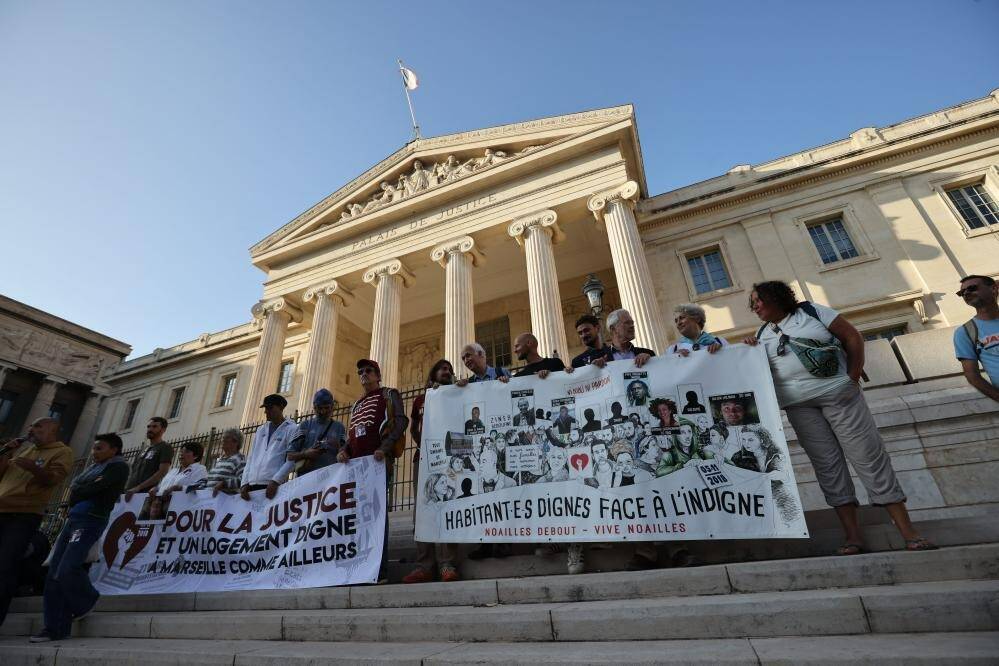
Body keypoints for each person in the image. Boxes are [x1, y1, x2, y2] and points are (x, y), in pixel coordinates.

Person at [744, 280, 935, 555]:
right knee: (828, 468)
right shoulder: (762, 333)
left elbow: (853, 337)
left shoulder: (814, 312)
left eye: (757, 301)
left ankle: (909, 531)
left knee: (868, 457)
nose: (754, 307)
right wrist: (750, 348)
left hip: (839, 396)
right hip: (799, 407)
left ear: (774, 297)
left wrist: (853, 378)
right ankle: (852, 537)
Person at [30, 433, 128, 643]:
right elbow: (77, 490)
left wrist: (80, 490)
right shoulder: (93, 469)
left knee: (68, 568)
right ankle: (54, 627)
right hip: (73, 520)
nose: (94, 452)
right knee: (53, 572)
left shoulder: (118, 467)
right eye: (94, 448)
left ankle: (87, 599)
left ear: (114, 449)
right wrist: (81, 490)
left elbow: (90, 489)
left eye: (100, 448)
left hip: (90, 520)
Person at [338, 359, 408, 584]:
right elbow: (352, 435)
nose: (363, 375)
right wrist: (344, 451)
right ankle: (361, 567)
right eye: (360, 372)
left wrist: (384, 448)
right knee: (357, 518)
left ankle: (380, 571)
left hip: (378, 465)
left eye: (368, 371)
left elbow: (400, 422)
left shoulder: (389, 394)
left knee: (376, 517)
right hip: (357, 468)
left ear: (378, 375)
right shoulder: (357, 404)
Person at [0, 417, 73, 627]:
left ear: (52, 430)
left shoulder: (62, 452)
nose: (31, 429)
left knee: (5, 565)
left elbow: (53, 479)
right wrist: (6, 452)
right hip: (1, 510)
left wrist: (33, 468)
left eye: (38, 426)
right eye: (31, 426)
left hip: (23, 514)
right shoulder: (23, 451)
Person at [404, 359, 461, 584]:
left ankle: (448, 563)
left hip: (449, 460)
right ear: (433, 373)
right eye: (443, 369)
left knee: (448, 507)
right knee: (423, 513)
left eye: (449, 369)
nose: (447, 372)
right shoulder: (421, 399)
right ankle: (424, 565)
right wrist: (426, 447)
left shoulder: (457, 393)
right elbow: (414, 430)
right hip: (424, 459)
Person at [457, 343, 511, 560]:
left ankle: (504, 542)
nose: (466, 361)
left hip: (501, 441)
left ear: (482, 354)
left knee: (502, 495)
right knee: (483, 497)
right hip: (481, 446)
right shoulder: (468, 384)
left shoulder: (501, 373)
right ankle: (485, 544)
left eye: (468, 356)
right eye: (463, 359)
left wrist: (508, 384)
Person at [240, 394, 297, 501]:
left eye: (270, 408)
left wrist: (276, 480)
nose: (266, 411)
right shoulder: (261, 430)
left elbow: (291, 460)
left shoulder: (292, 429)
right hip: (252, 485)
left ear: (281, 407)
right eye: (265, 408)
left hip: (274, 486)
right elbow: (251, 458)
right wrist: (244, 483)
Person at [953, 274, 999, 402]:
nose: (966, 293)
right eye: (962, 292)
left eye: (972, 288)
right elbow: (972, 376)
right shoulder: (965, 332)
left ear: (994, 289)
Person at [287, 388, 346, 476]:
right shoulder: (305, 426)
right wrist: (306, 454)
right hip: (306, 478)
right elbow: (290, 455)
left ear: (332, 407)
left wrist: (338, 448)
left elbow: (345, 453)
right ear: (314, 407)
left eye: (326, 408)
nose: (323, 411)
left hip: (331, 479)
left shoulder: (339, 427)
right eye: (319, 408)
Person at [123, 417, 172, 501]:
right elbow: (133, 470)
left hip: (146, 495)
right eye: (148, 427)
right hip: (128, 493)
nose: (150, 429)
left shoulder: (165, 447)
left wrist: (138, 488)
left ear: (163, 429)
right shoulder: (143, 448)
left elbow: (162, 472)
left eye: (154, 427)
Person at [194, 428, 246, 494]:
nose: (223, 439)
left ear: (236, 442)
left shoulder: (239, 459)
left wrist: (224, 484)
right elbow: (209, 479)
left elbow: (243, 480)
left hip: (224, 501)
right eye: (223, 437)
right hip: (209, 499)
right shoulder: (220, 460)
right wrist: (199, 486)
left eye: (226, 437)